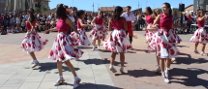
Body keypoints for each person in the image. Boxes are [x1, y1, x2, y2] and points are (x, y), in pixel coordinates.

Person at [47, 4, 83, 88]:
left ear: (59, 11)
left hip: (64, 40)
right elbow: (58, 28)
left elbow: (74, 27)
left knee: (65, 60)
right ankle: (61, 78)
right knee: (58, 60)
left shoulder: (66, 19)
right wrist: (49, 30)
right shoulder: (59, 19)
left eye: (57, 10)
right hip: (58, 40)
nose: (55, 11)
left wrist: (78, 36)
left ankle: (76, 77)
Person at [152, 3, 178, 83]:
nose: (163, 9)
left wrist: (176, 27)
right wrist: (155, 26)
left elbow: (173, 26)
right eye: (162, 7)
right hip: (162, 36)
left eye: (165, 7)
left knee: (169, 56)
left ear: (169, 8)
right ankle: (164, 74)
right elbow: (153, 24)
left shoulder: (171, 16)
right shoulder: (160, 16)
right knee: (163, 56)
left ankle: (167, 70)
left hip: (169, 36)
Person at [104, 6, 131, 74]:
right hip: (121, 34)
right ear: (121, 11)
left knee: (114, 52)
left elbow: (109, 28)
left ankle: (111, 65)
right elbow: (126, 28)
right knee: (122, 52)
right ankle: (122, 68)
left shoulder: (111, 18)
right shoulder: (123, 19)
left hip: (114, 33)